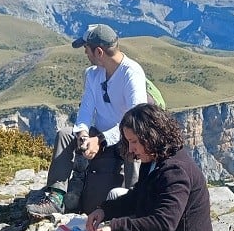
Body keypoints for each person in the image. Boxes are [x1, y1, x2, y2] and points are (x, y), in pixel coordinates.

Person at [84, 104, 213, 231]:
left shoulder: (175, 171)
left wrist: (114, 228)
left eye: (135, 141)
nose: (132, 149)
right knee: (116, 194)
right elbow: (137, 197)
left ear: (151, 136)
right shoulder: (153, 160)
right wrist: (104, 210)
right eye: (129, 142)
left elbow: (163, 224)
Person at [27, 24, 148, 219]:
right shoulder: (93, 74)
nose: (85, 52)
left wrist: (100, 140)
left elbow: (138, 120)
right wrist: (83, 135)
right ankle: (56, 196)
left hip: (123, 139)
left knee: (134, 146)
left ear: (99, 51)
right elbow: (85, 110)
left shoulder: (131, 74)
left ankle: (134, 200)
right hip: (98, 136)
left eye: (87, 48)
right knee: (65, 135)